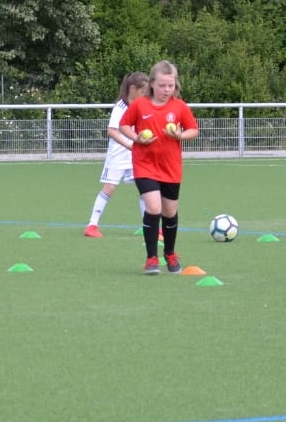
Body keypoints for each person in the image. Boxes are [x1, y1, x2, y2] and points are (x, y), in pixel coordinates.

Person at [108, 60, 200, 274]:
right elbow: (123, 125)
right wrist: (137, 138)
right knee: (153, 208)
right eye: (161, 85)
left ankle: (170, 253)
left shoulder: (179, 106)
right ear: (151, 84)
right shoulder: (140, 105)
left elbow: (193, 130)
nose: (166, 90)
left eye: (170, 85)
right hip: (144, 165)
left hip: (171, 167)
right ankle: (151, 258)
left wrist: (180, 135)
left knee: (169, 212)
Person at [84, 71, 150, 237]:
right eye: (143, 91)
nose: (145, 95)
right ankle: (92, 226)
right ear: (133, 89)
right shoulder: (121, 107)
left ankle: (148, 227)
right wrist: (128, 145)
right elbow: (112, 131)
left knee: (144, 189)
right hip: (118, 155)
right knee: (109, 188)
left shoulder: (141, 106)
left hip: (135, 155)